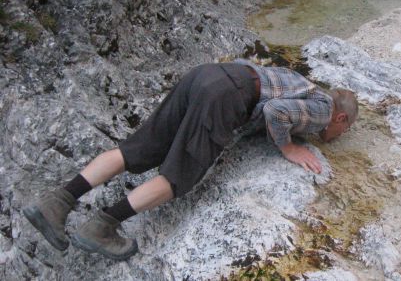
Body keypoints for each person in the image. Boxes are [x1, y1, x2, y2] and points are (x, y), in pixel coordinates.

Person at [23, 61, 358, 260]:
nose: (334, 135)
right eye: (341, 131)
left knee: (137, 150)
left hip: (207, 75)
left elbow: (266, 101)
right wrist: (289, 148)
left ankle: (57, 202)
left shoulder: (302, 82)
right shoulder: (323, 109)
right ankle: (102, 226)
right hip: (226, 94)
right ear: (340, 118)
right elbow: (275, 111)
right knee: (178, 176)